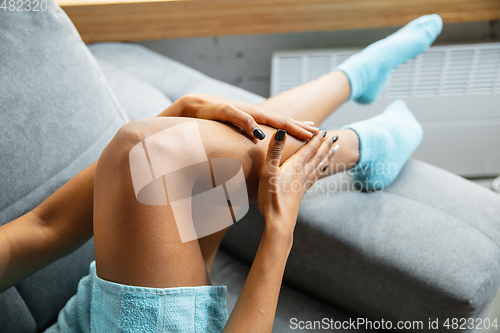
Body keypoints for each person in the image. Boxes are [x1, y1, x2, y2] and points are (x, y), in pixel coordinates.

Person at [0, 14, 442, 332]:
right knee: (148, 152)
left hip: (92, 312)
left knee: (171, 150)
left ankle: (355, 86)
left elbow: (47, 225)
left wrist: (176, 116)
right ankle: (357, 139)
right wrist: (278, 234)